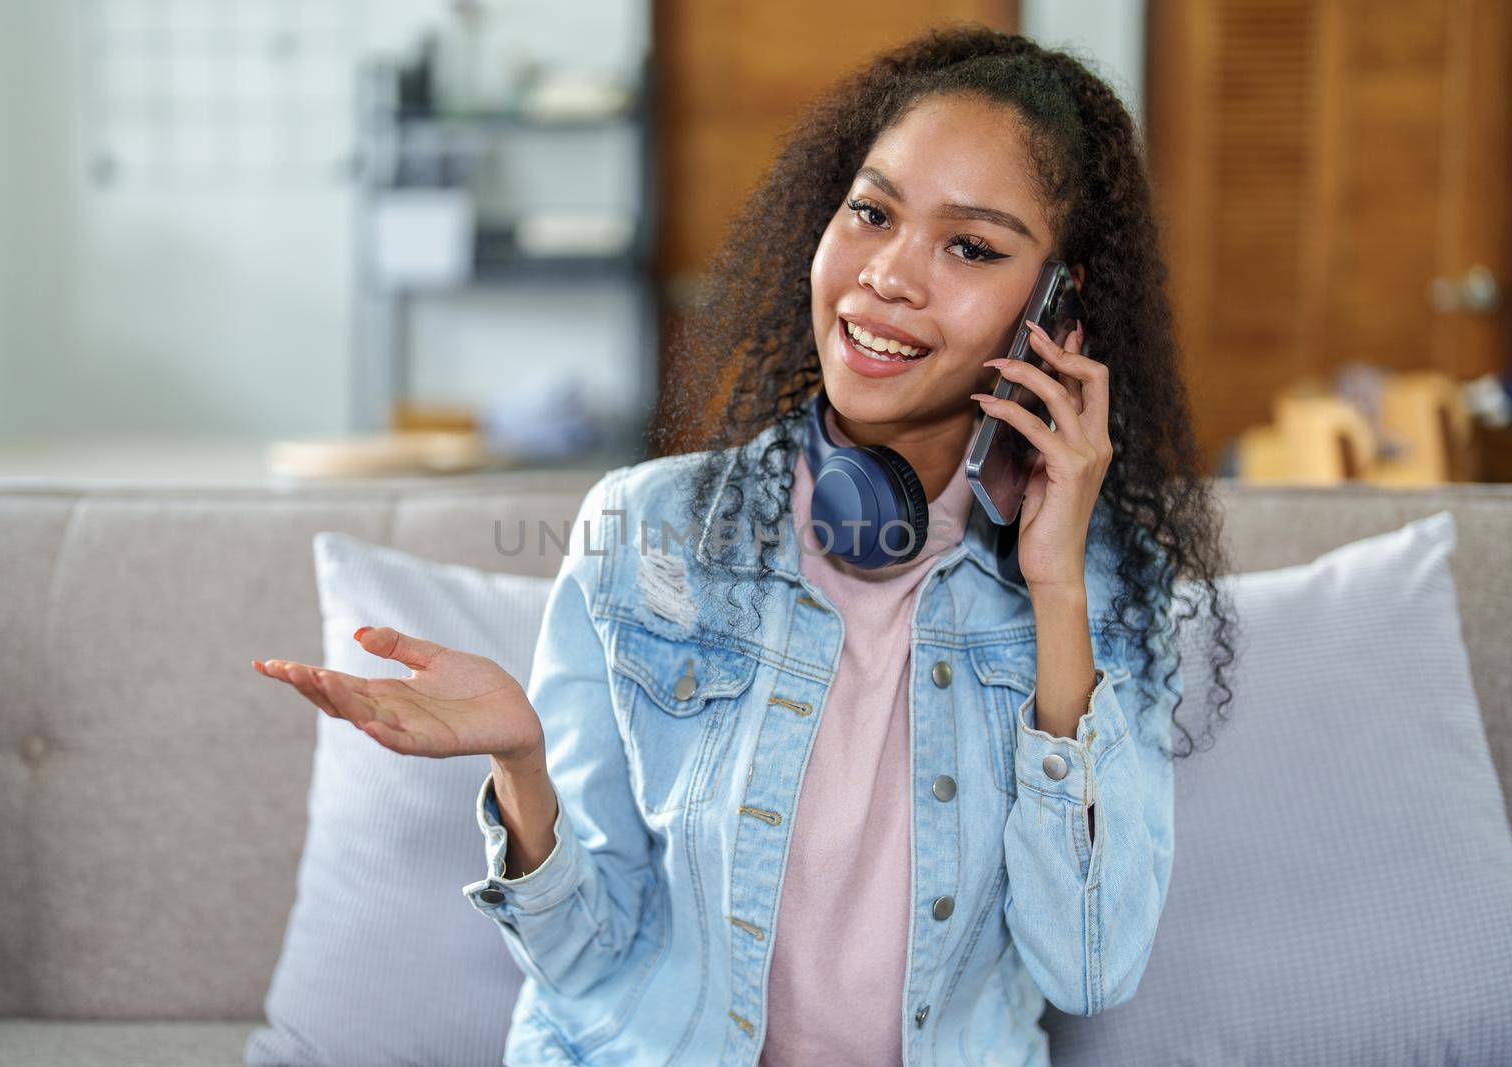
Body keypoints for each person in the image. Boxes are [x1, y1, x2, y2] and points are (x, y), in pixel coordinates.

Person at [253, 23, 1239, 1066]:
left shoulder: (1094, 579)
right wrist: (520, 765)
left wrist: (1053, 587)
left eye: (971, 246)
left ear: (1058, 312)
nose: (890, 276)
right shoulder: (648, 527)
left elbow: (1088, 967)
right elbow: (584, 960)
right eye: (871, 211)